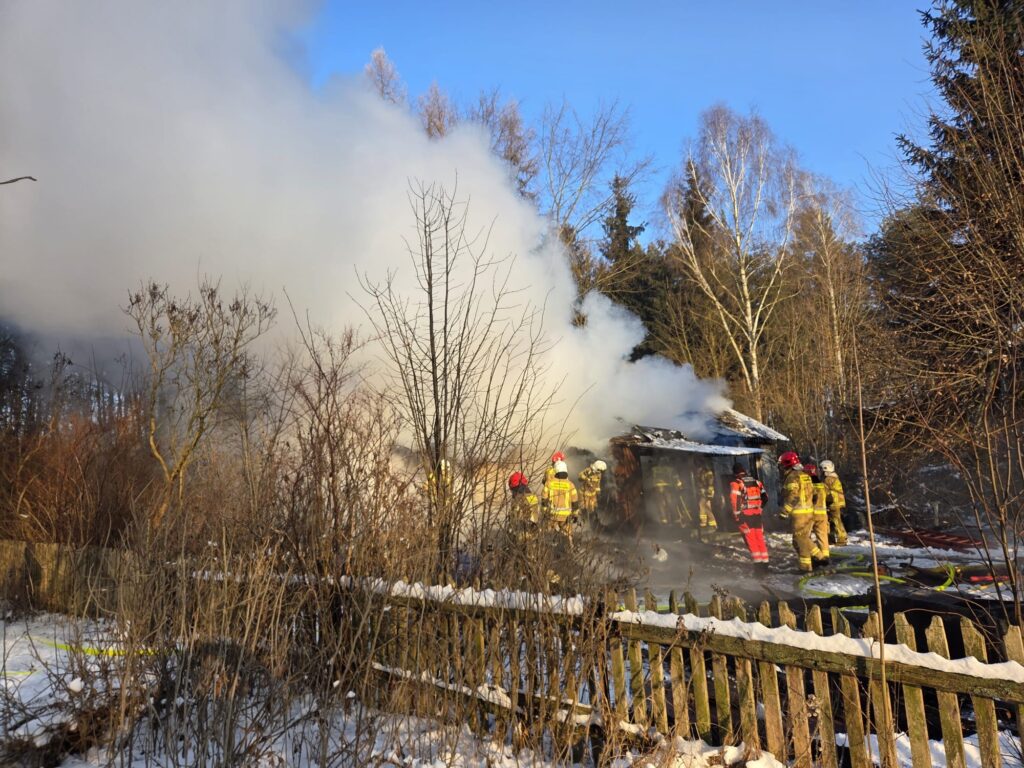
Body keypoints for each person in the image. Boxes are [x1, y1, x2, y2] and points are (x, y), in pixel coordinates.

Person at [778, 451, 817, 573]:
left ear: (787, 464)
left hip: (800, 514)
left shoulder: (792, 477)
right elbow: (814, 495)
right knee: (802, 539)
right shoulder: (805, 475)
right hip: (809, 513)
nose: (781, 468)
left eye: (782, 465)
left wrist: (785, 511)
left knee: (800, 541)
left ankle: (805, 568)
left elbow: (794, 496)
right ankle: (819, 558)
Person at [729, 462, 769, 570]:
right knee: (759, 538)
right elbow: (765, 497)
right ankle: (765, 563)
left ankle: (758, 566)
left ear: (735, 473)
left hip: (745, 516)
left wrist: (737, 516)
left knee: (751, 540)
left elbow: (734, 501)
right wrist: (760, 508)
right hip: (757, 515)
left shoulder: (736, 483)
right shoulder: (757, 482)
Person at [542, 459, 579, 542]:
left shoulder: (549, 483)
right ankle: (570, 550)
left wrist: (544, 512)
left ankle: (548, 551)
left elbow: (544, 499)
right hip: (566, 516)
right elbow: (575, 501)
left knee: (549, 534)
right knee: (568, 534)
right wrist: (575, 514)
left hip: (552, 515)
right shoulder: (570, 484)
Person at [804, 462, 831, 566]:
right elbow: (830, 498)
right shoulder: (822, 484)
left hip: (811, 514)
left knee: (806, 536)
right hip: (823, 514)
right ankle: (825, 557)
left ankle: (815, 556)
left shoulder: (808, 485)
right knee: (823, 536)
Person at [820, 460, 848, 546]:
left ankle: (842, 539)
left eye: (821, 469)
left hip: (833, 503)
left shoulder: (829, 479)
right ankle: (831, 539)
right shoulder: (835, 478)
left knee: (835, 521)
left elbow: (824, 491)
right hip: (837, 502)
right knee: (832, 521)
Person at [650, 458, 684, 525]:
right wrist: (679, 485)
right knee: (670, 502)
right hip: (667, 487)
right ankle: (675, 518)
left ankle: (664, 520)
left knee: (660, 503)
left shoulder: (654, 468)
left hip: (657, 488)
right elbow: (676, 477)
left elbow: (650, 477)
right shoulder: (670, 468)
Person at [697, 465, 718, 530]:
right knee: (707, 507)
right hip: (704, 491)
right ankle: (712, 524)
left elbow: (710, 482)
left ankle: (704, 522)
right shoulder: (701, 472)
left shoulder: (708, 473)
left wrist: (708, 492)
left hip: (708, 491)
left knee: (702, 504)